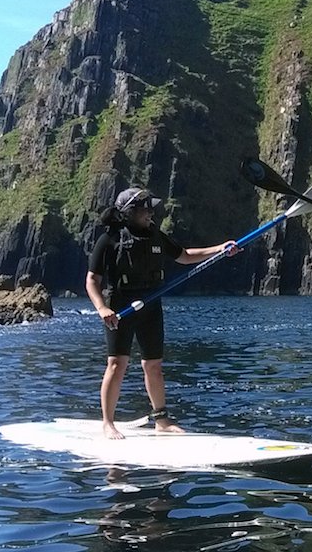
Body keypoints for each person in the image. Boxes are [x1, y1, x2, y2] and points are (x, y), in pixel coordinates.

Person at [86, 186, 237, 438]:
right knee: (117, 363)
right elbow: (92, 280)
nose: (151, 214)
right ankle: (108, 423)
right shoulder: (110, 239)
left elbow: (186, 256)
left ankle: (161, 420)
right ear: (130, 212)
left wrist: (220, 248)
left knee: (153, 365)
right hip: (121, 306)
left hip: (151, 305)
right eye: (145, 209)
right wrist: (102, 308)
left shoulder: (156, 235)